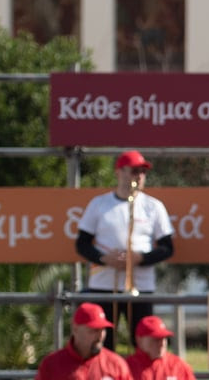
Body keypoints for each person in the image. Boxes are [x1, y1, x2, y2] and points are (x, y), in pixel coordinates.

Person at [75, 150, 176, 352]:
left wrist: (139, 258)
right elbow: (82, 244)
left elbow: (167, 248)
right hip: (103, 284)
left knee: (142, 342)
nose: (139, 176)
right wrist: (104, 258)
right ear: (119, 172)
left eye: (143, 172)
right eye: (134, 171)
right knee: (104, 343)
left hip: (141, 285)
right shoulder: (99, 204)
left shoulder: (153, 206)